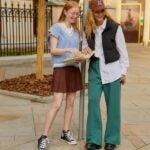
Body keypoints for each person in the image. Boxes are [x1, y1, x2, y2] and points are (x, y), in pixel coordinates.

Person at [82, 0, 129, 150]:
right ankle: (94, 139)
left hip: (113, 69)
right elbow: (84, 45)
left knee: (113, 106)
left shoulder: (115, 27)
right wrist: (86, 50)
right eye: (97, 11)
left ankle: (111, 139)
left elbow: (123, 52)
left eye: (102, 11)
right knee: (93, 101)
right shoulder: (87, 28)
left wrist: (123, 71)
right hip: (95, 68)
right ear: (91, 12)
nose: (100, 14)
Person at [37, 1, 82, 150]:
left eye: (77, 13)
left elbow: (78, 50)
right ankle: (43, 136)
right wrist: (69, 49)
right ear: (65, 12)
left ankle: (65, 132)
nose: (75, 16)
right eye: (73, 13)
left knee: (70, 102)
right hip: (61, 69)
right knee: (57, 104)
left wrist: (80, 55)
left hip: (74, 68)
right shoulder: (56, 28)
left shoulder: (76, 31)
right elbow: (54, 50)